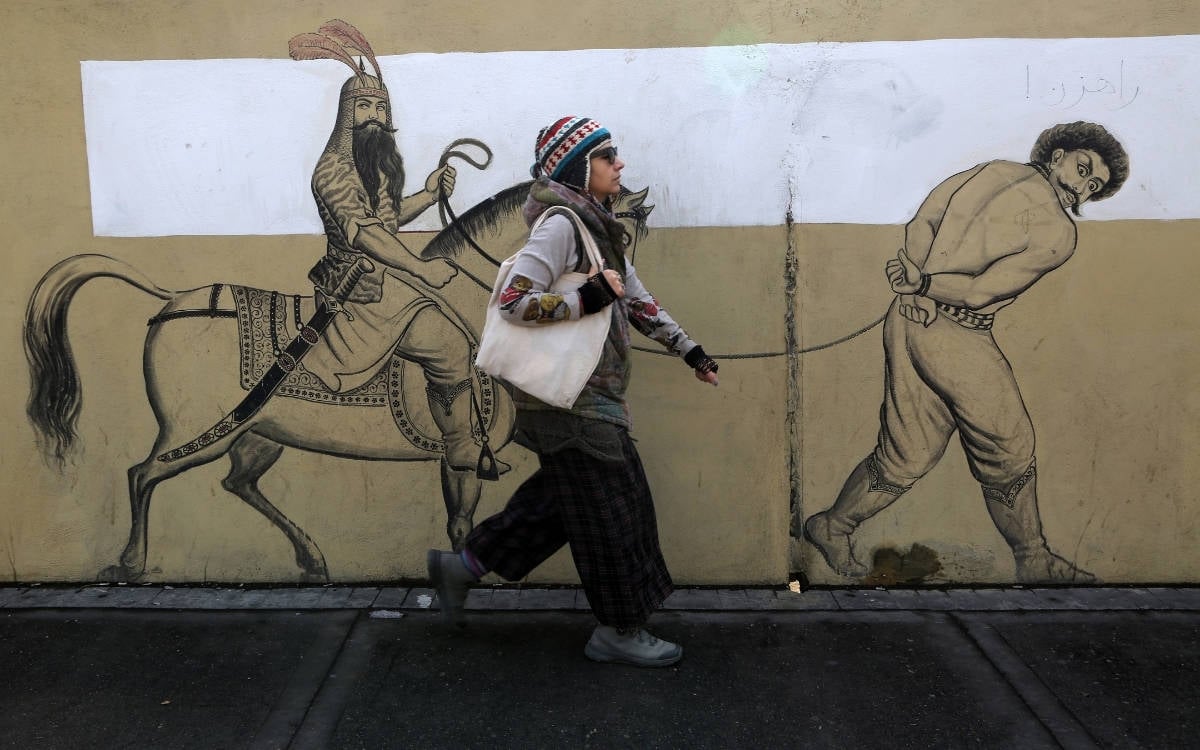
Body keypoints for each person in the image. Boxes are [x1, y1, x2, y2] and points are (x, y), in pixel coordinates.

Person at [427, 116, 720, 667]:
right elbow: (514, 301)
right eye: (607, 156)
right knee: (616, 512)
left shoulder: (597, 229)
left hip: (582, 396)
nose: (619, 163)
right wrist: (585, 300)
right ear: (578, 168)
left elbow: (637, 300)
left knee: (562, 504)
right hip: (571, 400)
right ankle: (619, 630)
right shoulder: (561, 225)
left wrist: (690, 351)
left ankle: (460, 568)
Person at [801, 121, 1128, 584]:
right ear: (1057, 156)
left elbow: (923, 223)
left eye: (1093, 185)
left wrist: (917, 286)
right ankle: (1033, 560)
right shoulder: (1059, 232)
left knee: (909, 451)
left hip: (908, 319)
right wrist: (923, 286)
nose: (1082, 187)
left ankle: (832, 526)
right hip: (954, 331)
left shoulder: (992, 170)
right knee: (1010, 444)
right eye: (1082, 168)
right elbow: (977, 293)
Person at [291, 23, 499, 551]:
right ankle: (460, 443)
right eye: (364, 108)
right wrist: (422, 270)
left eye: (381, 109)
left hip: (384, 281)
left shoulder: (376, 166)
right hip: (355, 294)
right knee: (450, 344)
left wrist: (428, 195)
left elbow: (385, 220)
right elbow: (364, 235)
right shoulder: (332, 170)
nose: (375, 118)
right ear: (346, 114)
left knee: (456, 311)